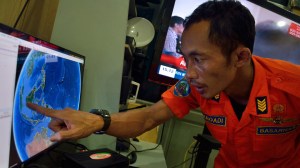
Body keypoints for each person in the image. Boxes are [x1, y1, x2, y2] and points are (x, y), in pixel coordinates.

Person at [27, 0, 300, 167]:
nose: (189, 74)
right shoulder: (196, 86)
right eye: (185, 59)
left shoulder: (292, 85)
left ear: (240, 57)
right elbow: (149, 117)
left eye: (199, 59)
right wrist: (98, 121)